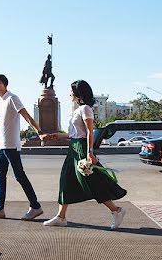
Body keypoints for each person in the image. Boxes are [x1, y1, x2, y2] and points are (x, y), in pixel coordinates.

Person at [41, 80, 128, 229]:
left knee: (93, 182)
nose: (69, 93)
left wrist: (89, 152)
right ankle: (61, 217)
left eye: (71, 91)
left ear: (77, 93)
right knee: (66, 180)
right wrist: (57, 135)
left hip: (82, 148)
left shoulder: (86, 109)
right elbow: (75, 133)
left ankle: (116, 210)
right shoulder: (78, 110)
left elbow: (89, 132)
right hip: (73, 148)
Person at [0, 74, 45, 221]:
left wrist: (39, 132)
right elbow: (2, 129)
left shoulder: (12, 98)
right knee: (0, 176)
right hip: (4, 147)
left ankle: (35, 206)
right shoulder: (2, 102)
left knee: (19, 176)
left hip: (11, 146)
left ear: (0, 84)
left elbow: (26, 116)